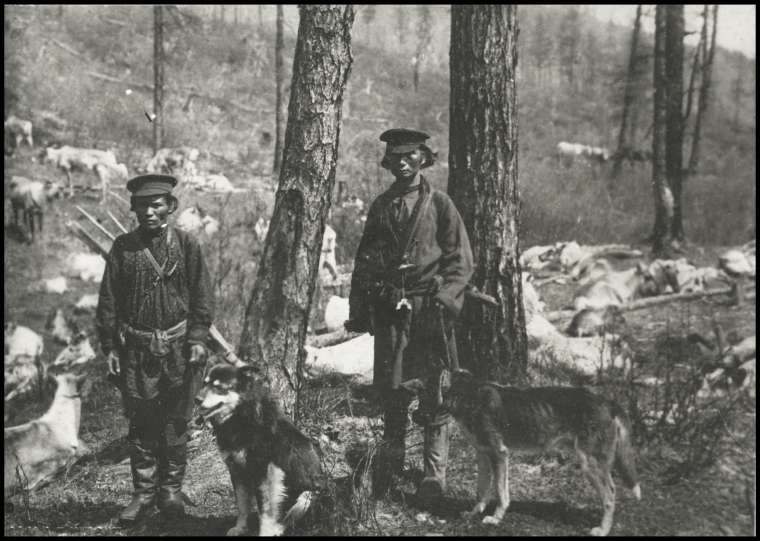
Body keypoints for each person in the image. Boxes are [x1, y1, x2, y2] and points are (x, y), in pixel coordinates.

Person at [345, 128, 474, 504]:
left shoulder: (440, 205)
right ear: (388, 163)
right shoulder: (381, 206)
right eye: (396, 158)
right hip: (390, 312)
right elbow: (364, 262)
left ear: (423, 158)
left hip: (427, 313)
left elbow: (460, 262)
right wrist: (359, 310)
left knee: (432, 392)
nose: (403, 163)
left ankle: (434, 477)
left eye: (410, 156)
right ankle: (391, 465)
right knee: (392, 391)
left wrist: (445, 299)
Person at [96, 174, 214, 524]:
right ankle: (144, 493)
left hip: (180, 350)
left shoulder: (187, 245)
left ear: (170, 207)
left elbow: (202, 299)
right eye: (142, 205)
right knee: (142, 423)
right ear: (133, 208)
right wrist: (110, 347)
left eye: (156, 204)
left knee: (177, 422)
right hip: (136, 351)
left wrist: (196, 340)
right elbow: (108, 302)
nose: (149, 211)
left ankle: (171, 491)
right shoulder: (123, 248)